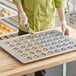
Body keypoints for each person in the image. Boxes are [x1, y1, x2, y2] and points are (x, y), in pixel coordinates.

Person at [13, 0, 69, 76]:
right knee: (21, 63)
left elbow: (60, 1)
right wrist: (21, 13)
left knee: (41, 65)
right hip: (26, 25)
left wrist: (63, 21)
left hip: (45, 26)